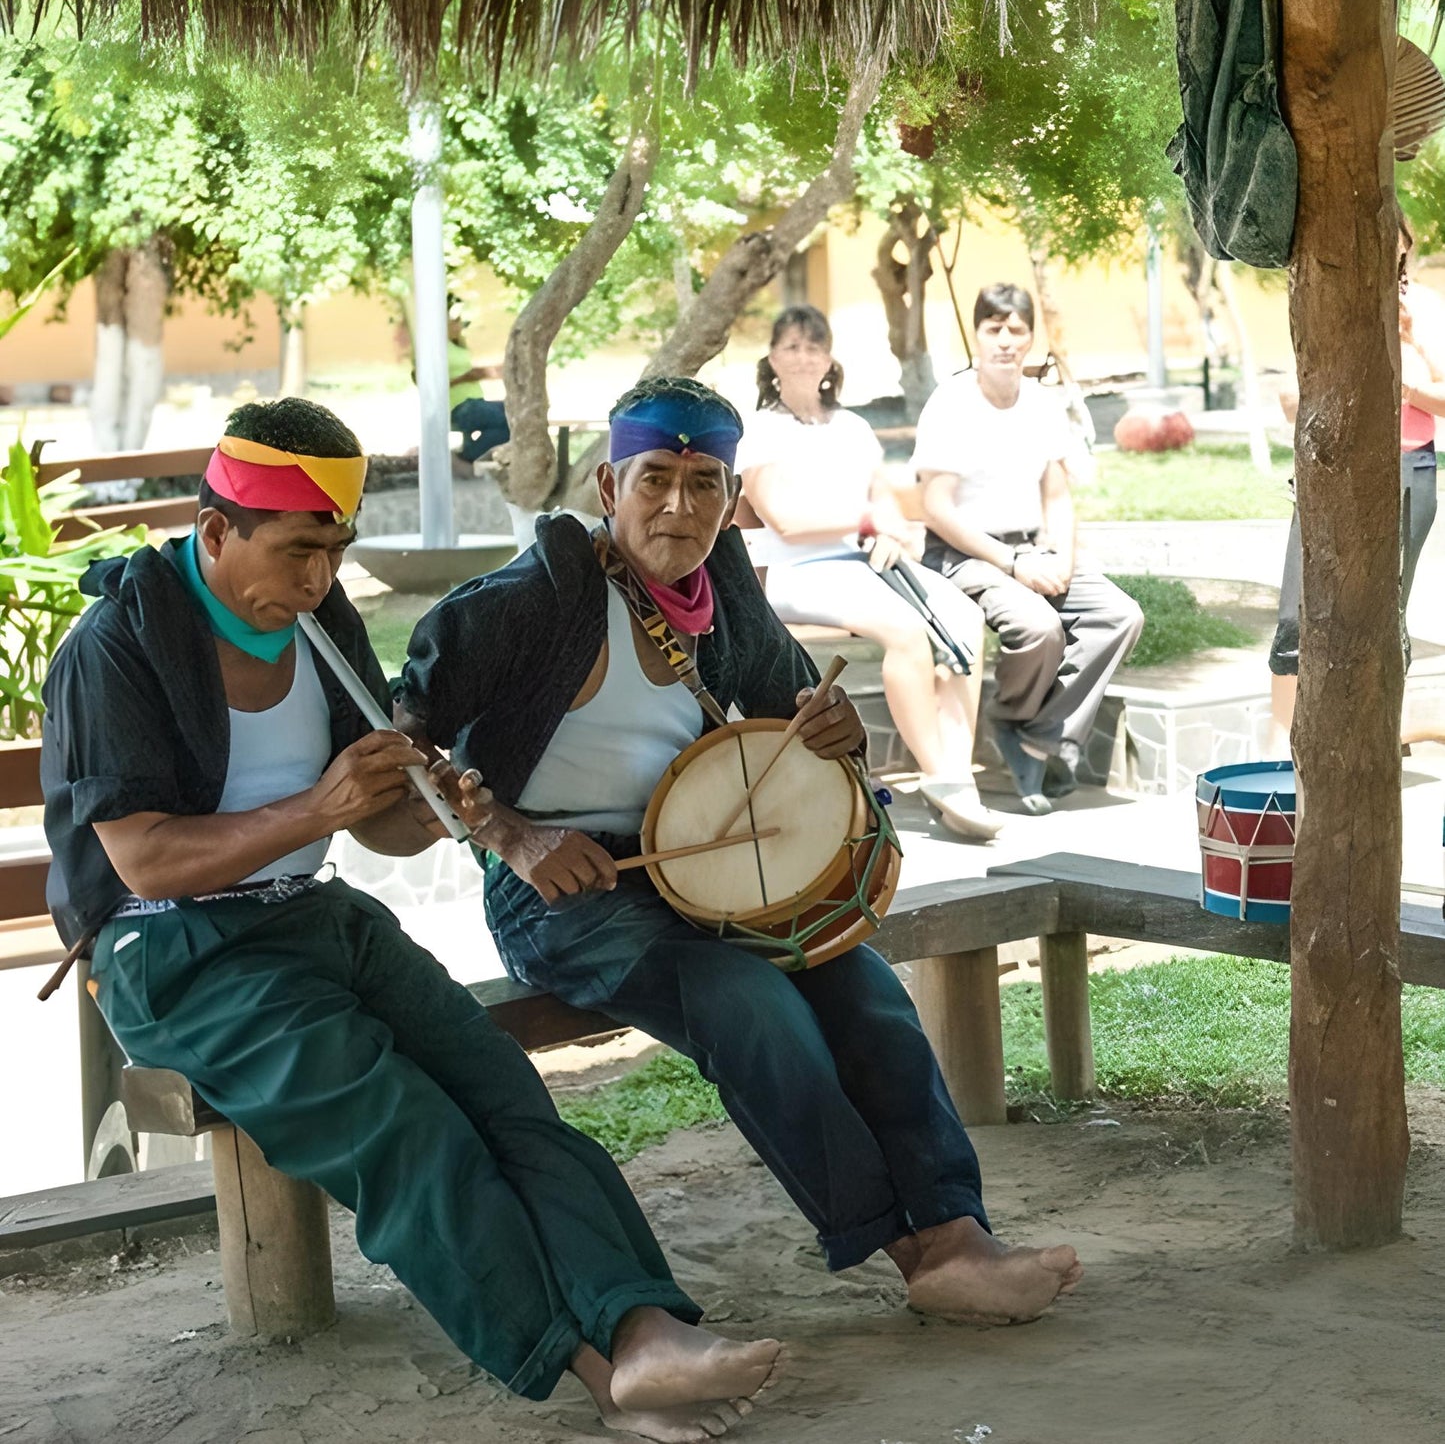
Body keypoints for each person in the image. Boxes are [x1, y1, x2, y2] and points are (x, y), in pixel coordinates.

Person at [40, 397, 782, 1444]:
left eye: (335, 551)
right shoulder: (117, 645)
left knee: (505, 1095)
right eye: (298, 550)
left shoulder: (320, 620)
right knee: (410, 1129)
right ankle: (588, 1367)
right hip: (171, 947)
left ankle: (644, 1325)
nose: (319, 578)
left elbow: (379, 828)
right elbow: (143, 855)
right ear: (215, 532)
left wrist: (441, 812)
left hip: (311, 913)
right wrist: (318, 807)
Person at [398, 377, 1083, 1327]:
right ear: (608, 486)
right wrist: (511, 836)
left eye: (703, 482)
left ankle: (959, 1233)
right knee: (748, 1002)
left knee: (864, 988)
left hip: (700, 859)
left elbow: (788, 712)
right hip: (563, 891)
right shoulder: (528, 598)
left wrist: (831, 726)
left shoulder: (722, 587)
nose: (678, 506)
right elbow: (402, 742)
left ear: (730, 497)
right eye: (654, 480)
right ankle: (907, 1248)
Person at [736, 306, 999, 840]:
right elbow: (781, 519)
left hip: (866, 565)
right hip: (793, 570)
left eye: (814, 347)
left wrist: (900, 531)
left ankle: (954, 772)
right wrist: (865, 521)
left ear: (829, 359)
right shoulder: (761, 430)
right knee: (905, 632)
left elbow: (881, 497)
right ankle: (938, 775)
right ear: (771, 359)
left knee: (965, 617)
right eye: (791, 346)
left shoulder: (852, 426)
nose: (804, 357)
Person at [913, 284, 1143, 814]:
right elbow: (937, 508)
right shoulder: (951, 402)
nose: (1005, 341)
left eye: (1017, 330)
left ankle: (1037, 732)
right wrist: (1013, 563)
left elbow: (1056, 493)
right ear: (976, 335)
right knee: (1037, 626)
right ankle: (1015, 718)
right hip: (964, 556)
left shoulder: (1040, 405)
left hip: (1033, 550)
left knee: (1119, 614)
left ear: (1031, 339)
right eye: (993, 329)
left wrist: (1061, 556)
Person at [1269, 216, 1443, 753]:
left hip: (1407, 468)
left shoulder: (1428, 308)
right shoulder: (1327, 301)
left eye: (1396, 254)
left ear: (1405, 250)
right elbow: (1291, 401)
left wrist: (1407, 351)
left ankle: (1379, 740)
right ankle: (1280, 751)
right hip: (1331, 471)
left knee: (1383, 617)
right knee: (1296, 618)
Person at [448, 308, 510, 470]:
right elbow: (424, 379)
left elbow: (473, 372)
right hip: (459, 407)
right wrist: (467, 377)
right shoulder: (435, 350)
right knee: (510, 419)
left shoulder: (458, 348)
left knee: (515, 414)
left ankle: (472, 454)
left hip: (475, 402)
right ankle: (466, 457)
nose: (459, 326)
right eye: (455, 322)